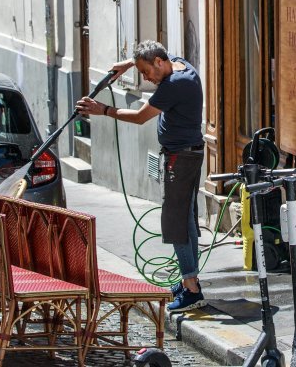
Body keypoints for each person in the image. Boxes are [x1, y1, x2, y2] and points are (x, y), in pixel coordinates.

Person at [75, 40, 206, 312]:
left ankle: (191, 288)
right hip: (188, 154)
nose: (146, 78)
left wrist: (104, 110)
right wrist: (129, 63)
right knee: (186, 221)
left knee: (176, 224)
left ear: (159, 62)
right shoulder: (181, 66)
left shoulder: (173, 85)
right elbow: (157, 51)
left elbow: (139, 117)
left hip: (179, 159)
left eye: (147, 72)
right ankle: (189, 280)